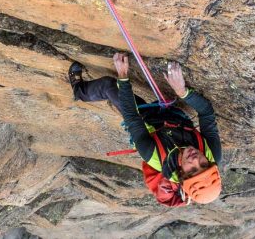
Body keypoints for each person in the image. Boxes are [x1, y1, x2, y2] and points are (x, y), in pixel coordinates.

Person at [69, 52, 222, 204]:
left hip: (145, 119)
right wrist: (183, 92)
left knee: (109, 85)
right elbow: (206, 112)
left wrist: (123, 75)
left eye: (193, 170)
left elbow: (132, 116)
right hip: (174, 117)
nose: (196, 160)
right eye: (203, 164)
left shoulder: (153, 155)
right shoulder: (213, 154)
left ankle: (79, 91)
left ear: (182, 174)